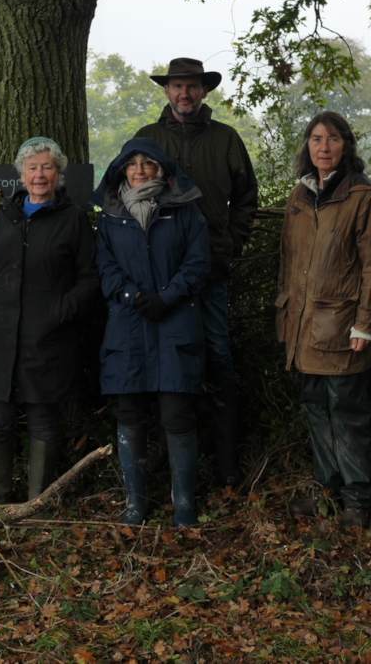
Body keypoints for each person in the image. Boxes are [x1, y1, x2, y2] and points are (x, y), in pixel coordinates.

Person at [135, 58, 258, 489]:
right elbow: (124, 193)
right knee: (162, 364)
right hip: (159, 276)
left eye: (191, 87)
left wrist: (229, 245)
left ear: (204, 92)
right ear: (167, 92)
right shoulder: (147, 139)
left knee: (218, 359)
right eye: (176, 87)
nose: (184, 95)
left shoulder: (225, 139)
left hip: (210, 273)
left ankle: (226, 462)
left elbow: (246, 199)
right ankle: (161, 459)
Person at [0, 137, 100, 504]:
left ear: (58, 174)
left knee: (43, 418)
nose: (39, 174)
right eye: (32, 168)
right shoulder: (5, 218)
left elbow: (90, 278)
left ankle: (38, 501)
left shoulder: (72, 220)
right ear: (21, 174)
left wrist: (62, 311)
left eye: (47, 167)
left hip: (48, 339)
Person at [276, 111, 371, 528]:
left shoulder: (361, 196)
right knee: (315, 409)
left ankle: (357, 499)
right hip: (303, 328)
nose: (324, 147)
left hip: (342, 327)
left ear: (347, 145)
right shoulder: (299, 197)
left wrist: (365, 323)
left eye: (333, 139)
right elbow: (288, 262)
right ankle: (326, 491)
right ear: (307, 146)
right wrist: (285, 315)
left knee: (347, 412)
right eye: (316, 138)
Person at [94, 138, 211, 527]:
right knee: (129, 414)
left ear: (162, 169)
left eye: (148, 163)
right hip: (128, 325)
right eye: (132, 164)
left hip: (176, 321)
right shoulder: (110, 216)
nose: (140, 170)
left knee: (177, 414)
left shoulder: (184, 210)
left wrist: (169, 296)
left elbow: (198, 261)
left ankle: (184, 505)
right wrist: (131, 294)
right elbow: (105, 266)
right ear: (122, 170)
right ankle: (135, 504)